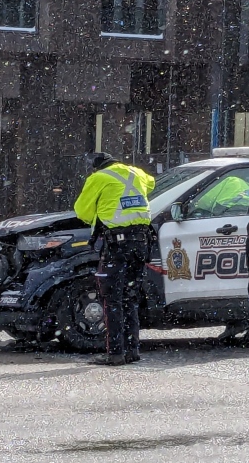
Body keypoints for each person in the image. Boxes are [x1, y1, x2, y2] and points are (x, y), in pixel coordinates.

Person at [74, 152, 156, 366]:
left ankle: (115, 353)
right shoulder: (136, 173)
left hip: (117, 244)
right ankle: (132, 350)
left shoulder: (98, 178)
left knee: (112, 298)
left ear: (95, 167)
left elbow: (81, 211)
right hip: (141, 242)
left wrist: (100, 211)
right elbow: (151, 184)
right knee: (131, 296)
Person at [199, 175, 249, 347]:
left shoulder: (218, 184)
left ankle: (248, 327)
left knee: (240, 283)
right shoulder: (246, 188)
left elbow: (200, 209)